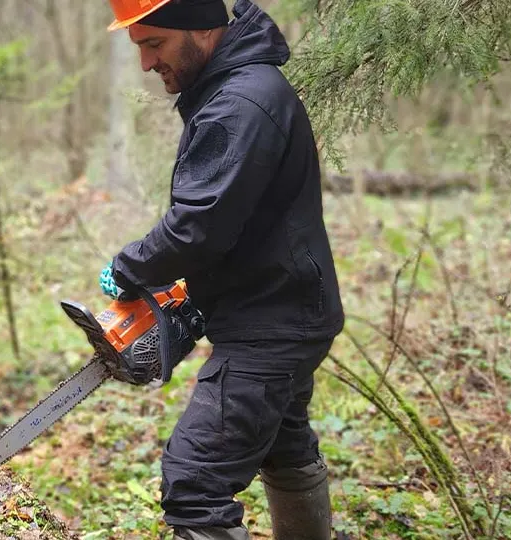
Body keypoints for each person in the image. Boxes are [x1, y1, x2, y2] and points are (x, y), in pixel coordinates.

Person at [99, 1, 345, 539]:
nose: (146, 62)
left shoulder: (241, 103)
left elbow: (199, 225)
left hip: (272, 322)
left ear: (201, 28)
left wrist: (130, 266)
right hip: (278, 306)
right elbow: (232, 220)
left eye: (154, 43)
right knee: (284, 447)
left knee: (196, 480)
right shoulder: (235, 90)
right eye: (139, 46)